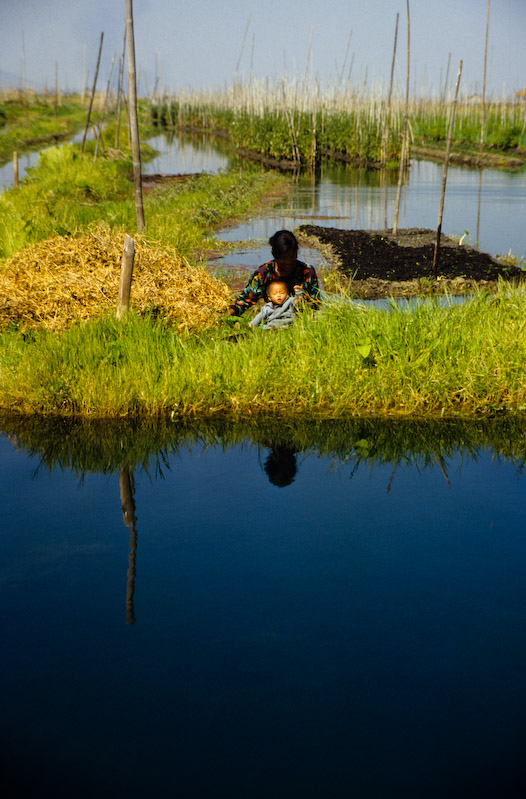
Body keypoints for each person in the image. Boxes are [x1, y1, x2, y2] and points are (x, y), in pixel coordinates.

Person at [228, 229, 321, 318]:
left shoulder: (307, 271)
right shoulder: (263, 273)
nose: (288, 262)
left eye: (292, 257)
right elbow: (245, 301)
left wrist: (303, 303)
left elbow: (316, 303)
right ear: (274, 255)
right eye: (283, 258)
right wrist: (226, 316)